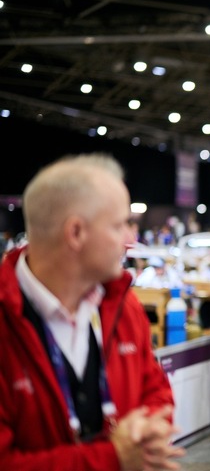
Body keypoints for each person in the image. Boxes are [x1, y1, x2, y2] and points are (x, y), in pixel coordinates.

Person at [0, 153, 184, 470]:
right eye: (120, 225)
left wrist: (150, 427)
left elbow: (154, 387)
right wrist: (112, 458)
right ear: (76, 233)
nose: (131, 240)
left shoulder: (124, 306)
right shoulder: (7, 324)